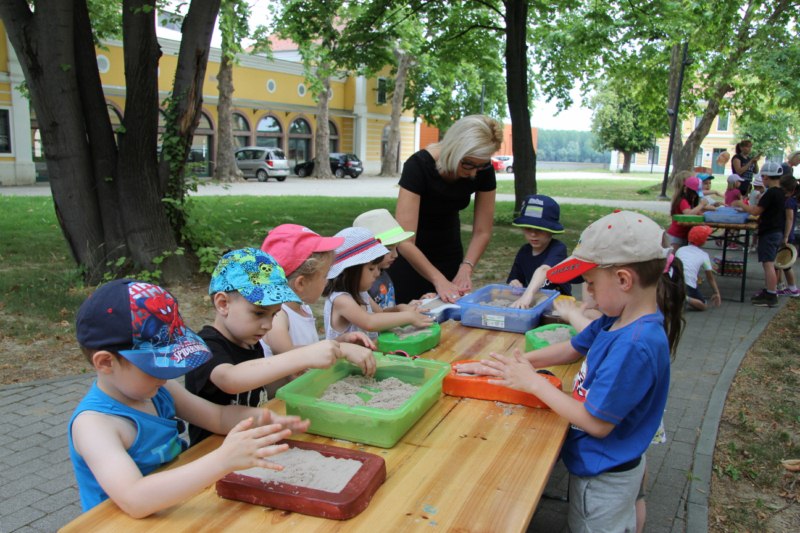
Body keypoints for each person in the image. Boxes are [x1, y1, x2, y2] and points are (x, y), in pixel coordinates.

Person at [476, 210, 686, 532]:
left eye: (590, 284)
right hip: (608, 463)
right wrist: (519, 363)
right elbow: (573, 348)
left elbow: (596, 423)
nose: (588, 296)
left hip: (603, 476)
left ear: (623, 280)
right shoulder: (616, 319)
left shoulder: (634, 345)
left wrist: (534, 384)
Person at [69, 279, 309, 517]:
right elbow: (135, 499)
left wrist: (265, 419)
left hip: (171, 509)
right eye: (156, 366)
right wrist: (222, 460)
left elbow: (217, 416)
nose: (167, 376)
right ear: (106, 362)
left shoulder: (159, 390)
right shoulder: (94, 425)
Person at [185, 248, 374, 445]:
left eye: (274, 314)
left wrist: (334, 348)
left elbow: (264, 385)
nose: (268, 325)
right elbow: (230, 379)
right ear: (223, 303)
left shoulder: (249, 342)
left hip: (253, 441)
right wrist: (303, 357)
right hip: (212, 450)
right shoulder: (204, 346)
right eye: (259, 313)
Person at [387, 114, 504, 304]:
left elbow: (482, 231)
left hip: (450, 253)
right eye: (468, 164)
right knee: (409, 315)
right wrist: (438, 280)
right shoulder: (418, 166)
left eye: (480, 166)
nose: (473, 173)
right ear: (454, 149)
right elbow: (405, 241)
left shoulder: (483, 169)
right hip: (411, 258)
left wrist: (466, 267)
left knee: (449, 315)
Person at [259, 224, 377, 362]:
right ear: (301, 283)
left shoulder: (303, 308)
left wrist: (340, 342)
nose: (327, 281)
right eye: (324, 276)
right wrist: (342, 350)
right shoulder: (278, 316)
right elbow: (287, 356)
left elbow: (312, 350)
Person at [324, 226, 434, 340]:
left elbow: (380, 313)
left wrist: (399, 309)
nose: (377, 273)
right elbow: (369, 322)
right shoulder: (341, 299)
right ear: (350, 272)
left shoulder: (361, 293)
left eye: (378, 267)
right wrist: (407, 317)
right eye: (371, 268)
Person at [733, 162, 789, 306]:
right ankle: (769, 289)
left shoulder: (770, 193)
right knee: (769, 263)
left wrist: (741, 204)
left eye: (763, 177)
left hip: (770, 232)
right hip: (776, 231)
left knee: (768, 264)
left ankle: (771, 295)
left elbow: (756, 211)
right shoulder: (781, 192)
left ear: (766, 177)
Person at [506, 195, 572, 309]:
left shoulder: (558, 248)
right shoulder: (524, 251)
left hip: (559, 305)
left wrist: (528, 294)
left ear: (551, 230)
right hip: (531, 303)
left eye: (539, 229)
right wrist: (515, 283)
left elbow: (544, 270)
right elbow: (515, 278)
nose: (533, 234)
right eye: (528, 228)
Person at [352, 208, 416, 309]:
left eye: (396, 248)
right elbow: (372, 316)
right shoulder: (363, 284)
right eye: (389, 249)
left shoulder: (383, 273)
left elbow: (385, 311)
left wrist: (409, 307)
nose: (395, 255)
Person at [676, 225, 722, 310]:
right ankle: (685, 298)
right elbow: (710, 278)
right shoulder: (704, 255)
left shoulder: (680, 250)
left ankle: (676, 297)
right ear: (703, 242)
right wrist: (717, 292)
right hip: (688, 284)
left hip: (674, 280)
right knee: (703, 306)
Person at [667, 175, 712, 250]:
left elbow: (694, 211)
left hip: (684, 235)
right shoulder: (682, 201)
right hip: (676, 236)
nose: (694, 196)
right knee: (674, 255)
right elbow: (688, 214)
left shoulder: (689, 201)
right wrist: (701, 205)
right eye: (693, 194)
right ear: (686, 189)